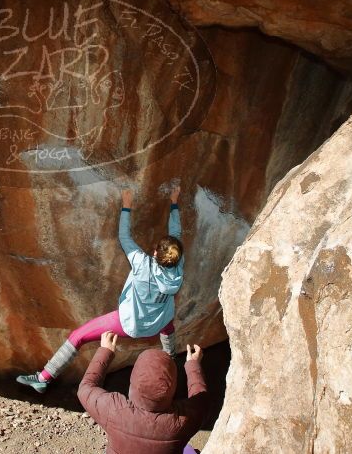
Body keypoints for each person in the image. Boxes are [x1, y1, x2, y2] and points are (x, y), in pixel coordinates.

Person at [17, 183, 185, 393]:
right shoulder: (178, 267)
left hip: (130, 323)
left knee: (78, 335)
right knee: (167, 329)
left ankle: (44, 377)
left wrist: (126, 205)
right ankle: (172, 363)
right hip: (160, 320)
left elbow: (125, 237)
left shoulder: (142, 263)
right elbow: (176, 233)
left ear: (155, 253)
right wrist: (174, 202)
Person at [78, 331, 209, 454]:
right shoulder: (185, 420)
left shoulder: (113, 410)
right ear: (173, 385)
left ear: (133, 379)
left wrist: (105, 351)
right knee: (190, 450)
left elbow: (85, 388)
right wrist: (193, 365)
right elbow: (201, 400)